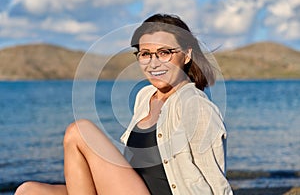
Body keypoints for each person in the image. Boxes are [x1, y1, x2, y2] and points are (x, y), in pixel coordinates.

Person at [15, 13, 233, 195]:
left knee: (79, 132)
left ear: (186, 56)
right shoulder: (145, 97)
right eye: (145, 54)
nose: (153, 63)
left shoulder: (196, 106)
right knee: (29, 190)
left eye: (164, 53)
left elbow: (216, 181)